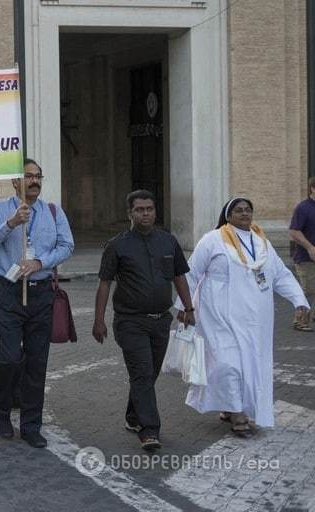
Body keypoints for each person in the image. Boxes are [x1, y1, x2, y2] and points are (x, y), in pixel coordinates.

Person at [176, 197, 309, 436]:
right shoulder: (212, 240)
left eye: (249, 209)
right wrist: (185, 307)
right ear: (228, 215)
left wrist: (299, 300)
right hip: (219, 315)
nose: (245, 213)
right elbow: (191, 272)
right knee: (228, 363)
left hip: (255, 318)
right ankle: (238, 414)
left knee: (250, 365)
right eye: (239, 210)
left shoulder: (262, 242)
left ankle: (231, 407)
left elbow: (280, 276)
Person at [0, 159, 74, 448]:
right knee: (9, 356)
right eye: (28, 176)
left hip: (40, 291)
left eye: (38, 176)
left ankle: (32, 424)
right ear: (15, 183)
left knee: (36, 360)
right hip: (7, 291)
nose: (34, 181)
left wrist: (40, 261)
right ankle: (3, 411)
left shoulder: (53, 211)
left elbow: (66, 245)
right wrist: (10, 224)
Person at [92, 190, 194, 452]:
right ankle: (149, 430)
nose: (146, 213)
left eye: (149, 208)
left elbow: (180, 277)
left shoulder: (168, 242)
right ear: (130, 213)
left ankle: (133, 415)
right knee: (141, 372)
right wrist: (99, 320)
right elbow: (104, 283)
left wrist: (188, 308)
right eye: (140, 209)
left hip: (161, 320)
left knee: (149, 374)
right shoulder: (117, 245)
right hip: (130, 321)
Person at [288, 177, 315, 331]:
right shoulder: (303, 208)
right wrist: (310, 248)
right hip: (306, 258)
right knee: (308, 290)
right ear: (312, 188)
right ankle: (300, 321)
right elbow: (294, 231)